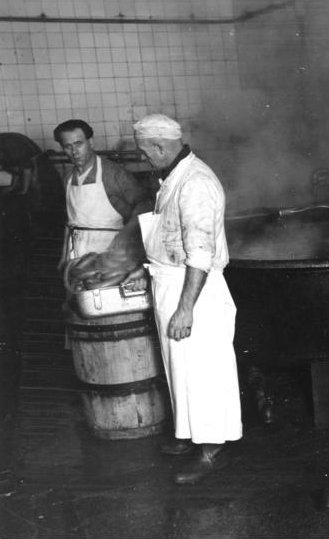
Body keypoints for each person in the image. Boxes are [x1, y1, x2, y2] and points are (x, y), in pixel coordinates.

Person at [131, 114, 242, 485]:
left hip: (195, 293)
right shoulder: (173, 177)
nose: (143, 159)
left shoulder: (195, 184)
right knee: (181, 371)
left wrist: (185, 308)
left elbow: (200, 254)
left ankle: (211, 451)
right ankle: (189, 433)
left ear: (160, 147)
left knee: (204, 374)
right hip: (172, 282)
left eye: (145, 152)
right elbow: (170, 238)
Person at [54, 119, 152, 266]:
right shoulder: (68, 178)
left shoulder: (114, 174)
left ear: (91, 142)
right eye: (67, 147)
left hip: (109, 254)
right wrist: (64, 256)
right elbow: (70, 222)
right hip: (76, 255)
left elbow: (145, 205)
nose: (74, 152)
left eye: (78, 144)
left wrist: (125, 235)